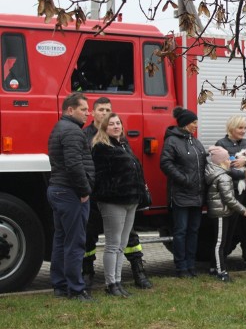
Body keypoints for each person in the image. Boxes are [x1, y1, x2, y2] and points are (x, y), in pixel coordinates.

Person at [83, 97, 152, 290]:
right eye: (102, 110)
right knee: (95, 239)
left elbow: (131, 167)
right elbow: (92, 171)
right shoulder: (90, 138)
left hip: (127, 199)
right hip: (105, 200)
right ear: (94, 113)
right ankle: (91, 274)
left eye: (110, 112)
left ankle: (131, 274)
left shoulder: (121, 142)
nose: (106, 114)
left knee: (127, 240)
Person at [47, 92, 95, 301]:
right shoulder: (74, 132)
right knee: (75, 242)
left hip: (57, 189)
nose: (88, 113)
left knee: (60, 239)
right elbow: (74, 165)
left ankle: (60, 285)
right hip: (70, 193)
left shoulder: (59, 128)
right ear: (70, 110)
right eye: (83, 109)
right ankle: (76, 290)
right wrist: (84, 191)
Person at [160, 107, 207, 278]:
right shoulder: (172, 141)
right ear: (186, 123)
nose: (196, 125)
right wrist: (184, 179)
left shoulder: (195, 142)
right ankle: (181, 266)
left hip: (197, 194)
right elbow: (165, 164)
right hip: (181, 195)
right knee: (181, 231)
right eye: (194, 122)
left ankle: (190, 265)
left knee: (193, 231)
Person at [215, 115, 246, 273]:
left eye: (245, 128)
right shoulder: (221, 145)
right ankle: (221, 261)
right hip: (231, 191)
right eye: (240, 128)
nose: (243, 131)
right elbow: (221, 169)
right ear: (231, 128)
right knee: (230, 227)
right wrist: (241, 173)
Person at [205, 146, 246, 282]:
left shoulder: (214, 173)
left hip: (218, 212)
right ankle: (221, 271)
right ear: (222, 162)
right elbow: (229, 199)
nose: (231, 161)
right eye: (228, 159)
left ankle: (213, 267)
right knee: (220, 243)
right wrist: (242, 209)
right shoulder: (224, 177)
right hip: (221, 213)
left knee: (217, 241)